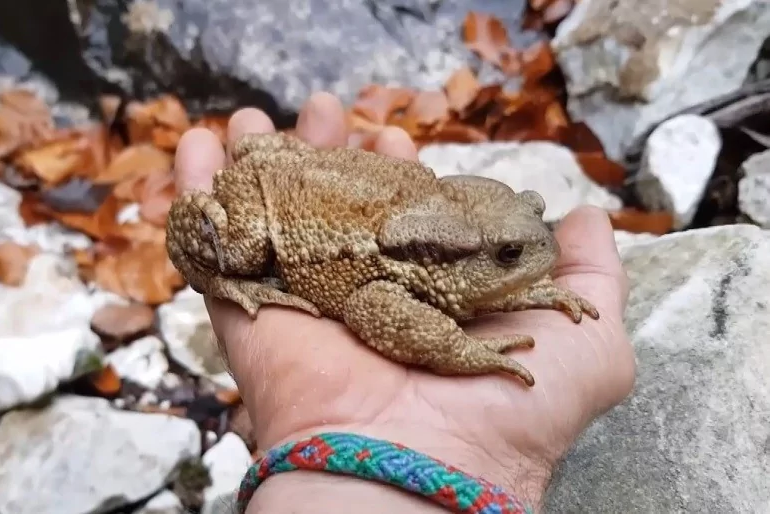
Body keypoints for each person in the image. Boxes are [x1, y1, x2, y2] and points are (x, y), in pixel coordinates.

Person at [173, 91, 636, 513]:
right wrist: (457, 349)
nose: (542, 246)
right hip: (272, 204)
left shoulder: (440, 257)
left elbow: (456, 282)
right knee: (241, 249)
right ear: (450, 258)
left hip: (322, 183)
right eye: (507, 255)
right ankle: (217, 272)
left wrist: (513, 290)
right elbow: (368, 305)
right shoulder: (405, 265)